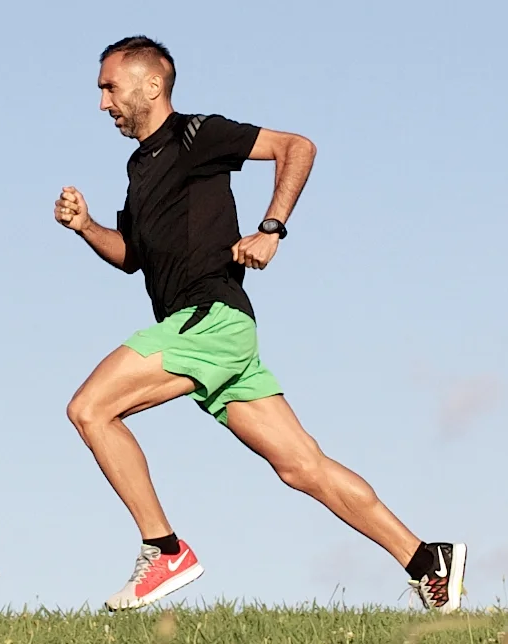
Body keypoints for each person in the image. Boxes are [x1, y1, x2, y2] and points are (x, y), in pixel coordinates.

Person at [53, 35, 468, 614]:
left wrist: (271, 229)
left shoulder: (198, 134)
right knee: (303, 467)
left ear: (151, 85)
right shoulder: (139, 165)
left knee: (90, 408)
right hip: (209, 332)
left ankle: (164, 549)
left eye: (109, 88)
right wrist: (87, 226)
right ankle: (425, 559)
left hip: (210, 319)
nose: (103, 103)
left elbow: (297, 146)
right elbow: (132, 256)